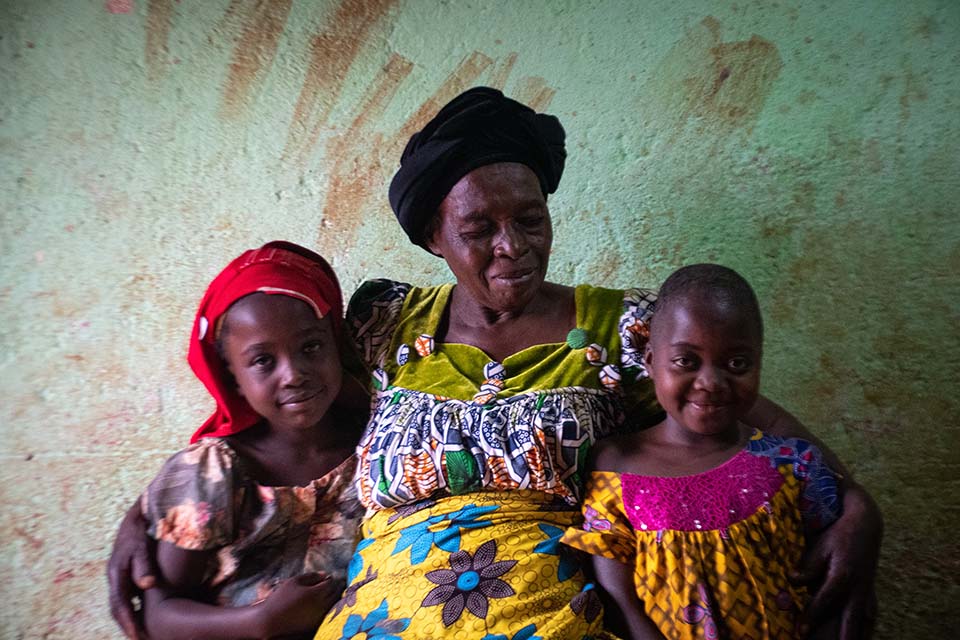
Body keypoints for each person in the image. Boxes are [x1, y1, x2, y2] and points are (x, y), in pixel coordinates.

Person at [108, 88, 881, 640]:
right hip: (378, 617)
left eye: (530, 219)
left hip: (558, 613)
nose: (512, 247)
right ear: (435, 239)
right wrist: (145, 518)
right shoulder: (383, 324)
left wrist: (853, 502)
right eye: (480, 227)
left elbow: (754, 420)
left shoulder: (632, 328)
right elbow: (284, 409)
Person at [562, 264, 843, 639]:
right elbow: (618, 594)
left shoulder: (792, 463)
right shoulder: (616, 466)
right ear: (648, 361)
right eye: (686, 361)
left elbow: (833, 575)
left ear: (760, 361)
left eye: (737, 363)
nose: (710, 382)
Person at [135, 241, 365, 639]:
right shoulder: (212, 473)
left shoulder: (379, 443)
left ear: (335, 343)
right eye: (263, 360)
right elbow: (159, 614)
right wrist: (260, 621)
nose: (293, 374)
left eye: (311, 347)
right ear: (232, 378)